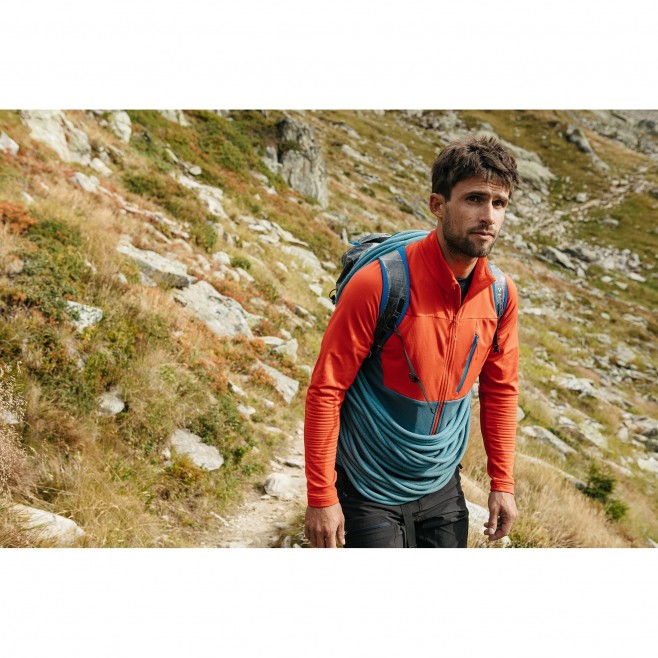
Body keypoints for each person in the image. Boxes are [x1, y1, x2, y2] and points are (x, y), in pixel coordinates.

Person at [303, 135, 520, 548]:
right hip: (366, 482)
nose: (488, 216)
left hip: (439, 479)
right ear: (438, 205)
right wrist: (321, 496)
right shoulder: (380, 283)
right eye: (474, 199)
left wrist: (502, 482)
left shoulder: (500, 294)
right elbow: (326, 389)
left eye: (499, 203)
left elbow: (500, 391)